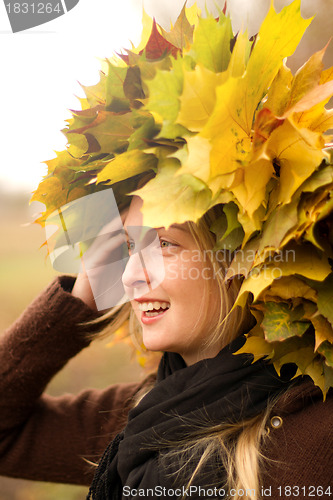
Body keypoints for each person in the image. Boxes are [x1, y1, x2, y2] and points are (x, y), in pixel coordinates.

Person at [1, 2, 333, 499]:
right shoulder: (145, 409)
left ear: (246, 261)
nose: (130, 274)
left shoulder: (316, 435)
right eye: (126, 248)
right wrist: (80, 290)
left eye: (165, 245)